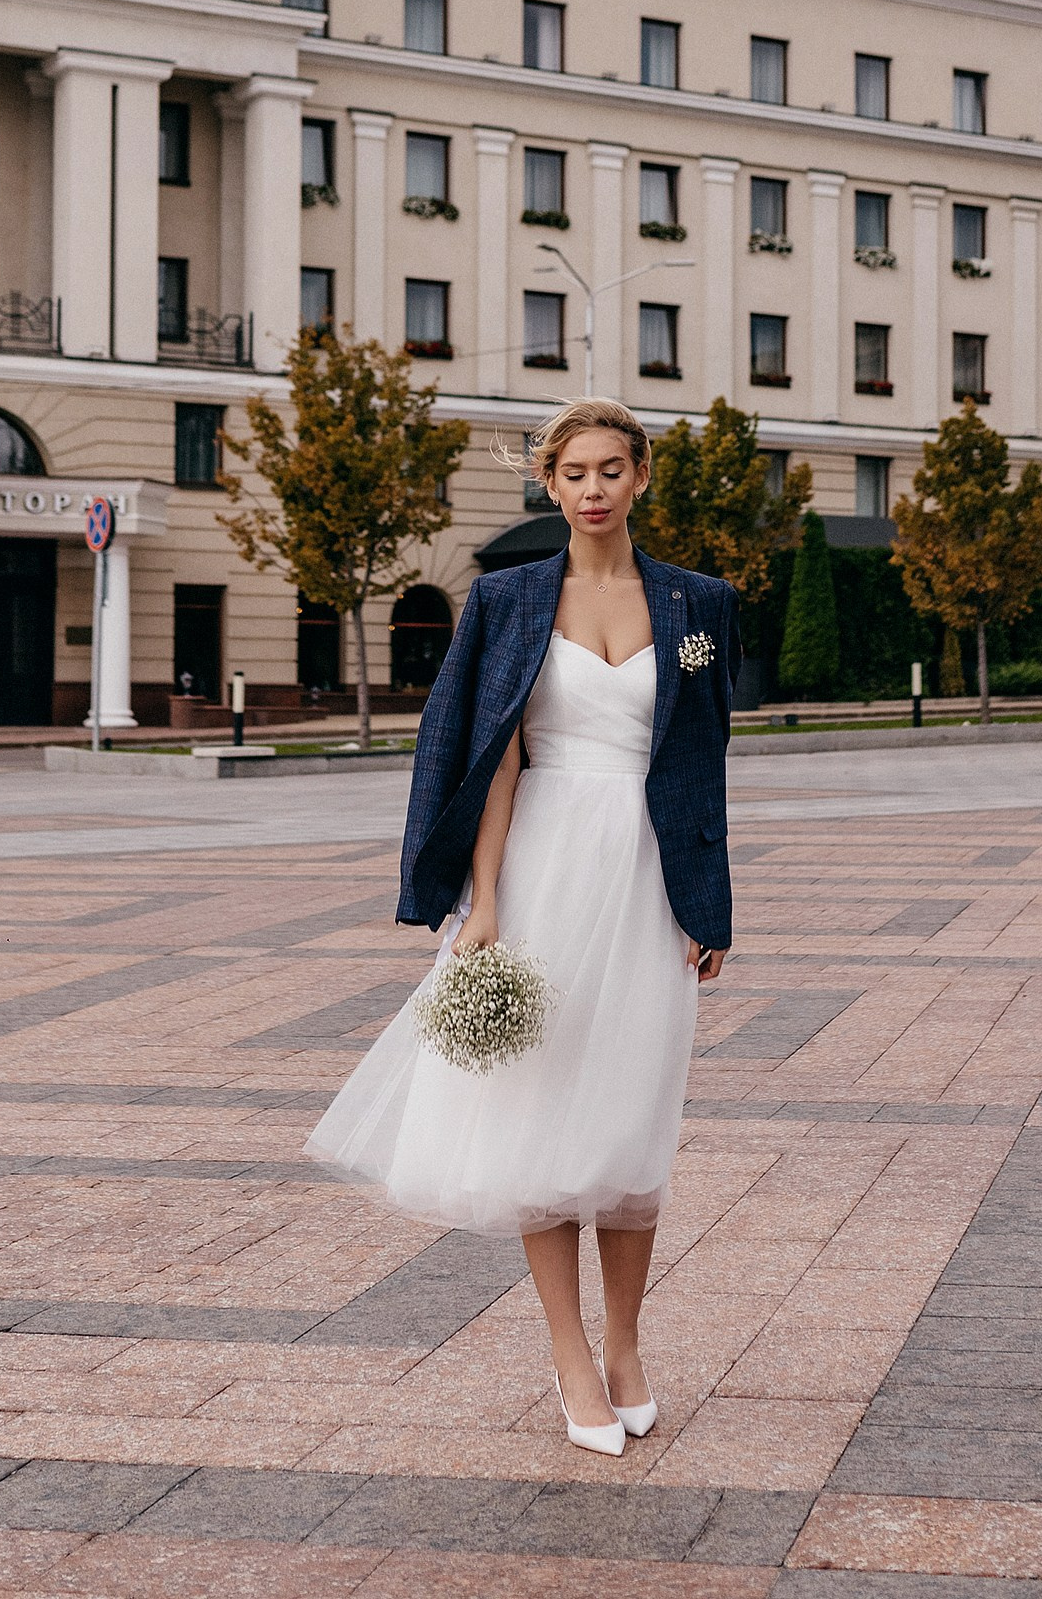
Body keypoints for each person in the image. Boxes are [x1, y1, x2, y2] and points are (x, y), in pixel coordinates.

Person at [305, 396, 739, 1456]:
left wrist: (707, 903)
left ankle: (628, 1345)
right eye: (572, 473)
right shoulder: (503, 601)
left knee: (631, 1115)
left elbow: (703, 763)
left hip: (645, 877)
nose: (591, 490)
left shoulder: (699, 606)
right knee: (541, 1118)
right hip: (542, 867)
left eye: (610, 470)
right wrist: (482, 904)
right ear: (549, 485)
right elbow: (488, 755)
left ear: (640, 478)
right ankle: (570, 1358)